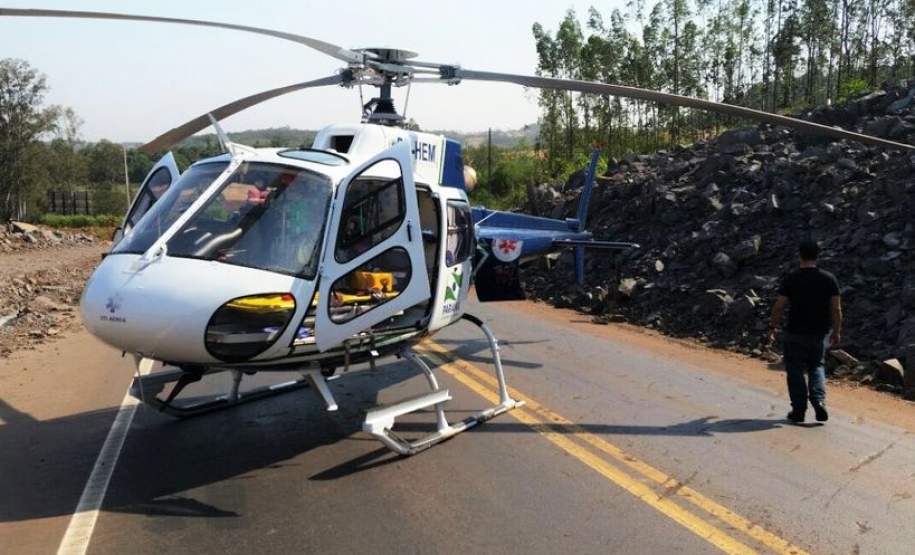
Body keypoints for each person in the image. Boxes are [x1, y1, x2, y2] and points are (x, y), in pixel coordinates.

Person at [767, 239, 842, 423]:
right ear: (818, 255)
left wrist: (772, 327)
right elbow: (836, 308)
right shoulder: (829, 279)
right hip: (818, 332)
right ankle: (819, 400)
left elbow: (779, 307)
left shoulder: (792, 279)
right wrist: (837, 330)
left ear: (799, 255)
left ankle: (799, 410)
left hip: (795, 331)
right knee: (816, 365)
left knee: (795, 369)